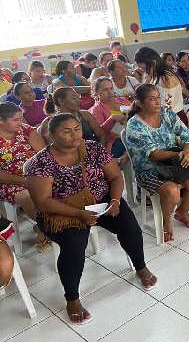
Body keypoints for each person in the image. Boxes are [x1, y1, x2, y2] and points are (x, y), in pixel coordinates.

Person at [27, 113, 157, 324]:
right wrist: (79, 214)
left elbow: (115, 176)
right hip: (61, 211)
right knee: (74, 245)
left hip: (101, 201)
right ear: (51, 136)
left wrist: (115, 201)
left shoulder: (93, 148)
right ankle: (72, 298)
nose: (74, 135)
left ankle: (140, 266)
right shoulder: (41, 162)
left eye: (77, 129)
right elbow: (42, 201)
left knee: (129, 226)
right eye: (66, 131)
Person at [126, 84, 189, 240]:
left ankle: (182, 211)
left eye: (158, 98)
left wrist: (188, 152)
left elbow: (187, 136)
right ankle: (166, 221)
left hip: (174, 164)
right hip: (149, 170)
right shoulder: (134, 125)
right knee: (172, 191)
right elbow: (153, 155)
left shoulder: (166, 113)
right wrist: (181, 154)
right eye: (151, 99)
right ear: (140, 103)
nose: (157, 102)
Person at [0, 102, 50, 252]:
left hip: (37, 174)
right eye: (15, 120)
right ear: (1, 120)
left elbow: (44, 156)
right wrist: (25, 181)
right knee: (28, 197)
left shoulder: (27, 131)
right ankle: (47, 226)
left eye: (21, 119)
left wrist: (36, 177)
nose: (20, 123)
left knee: (56, 189)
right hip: (9, 182)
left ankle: (43, 227)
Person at [134, 47, 189, 125]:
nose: (144, 72)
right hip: (167, 118)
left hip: (173, 120)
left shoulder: (165, 78)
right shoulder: (158, 74)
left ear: (154, 63)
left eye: (144, 68)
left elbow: (162, 107)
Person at [39, 87, 107, 146]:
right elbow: (51, 147)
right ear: (61, 101)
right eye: (74, 98)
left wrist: (101, 153)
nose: (78, 101)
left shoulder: (86, 115)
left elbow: (102, 136)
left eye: (78, 98)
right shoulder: (48, 123)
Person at [89, 77, 131, 163]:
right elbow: (99, 131)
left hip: (132, 136)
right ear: (96, 92)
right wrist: (112, 119)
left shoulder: (123, 101)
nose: (110, 92)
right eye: (105, 90)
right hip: (116, 142)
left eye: (111, 88)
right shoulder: (97, 109)